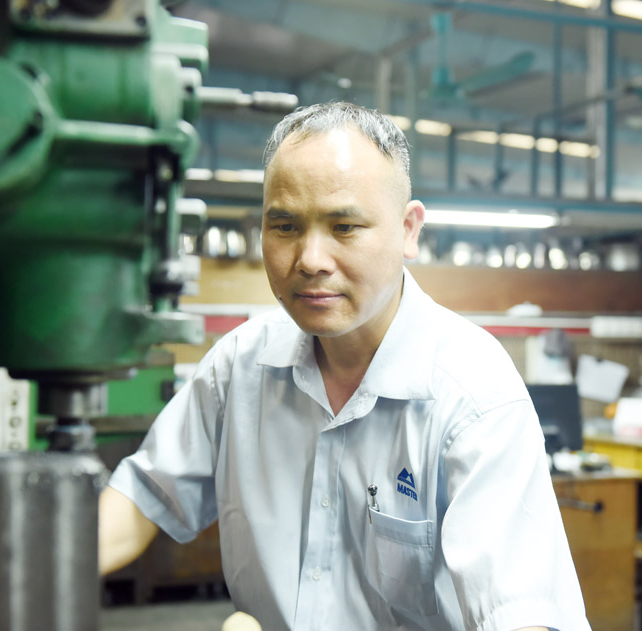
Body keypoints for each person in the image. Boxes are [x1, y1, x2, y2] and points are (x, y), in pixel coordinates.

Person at [99, 102, 591, 631]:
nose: (310, 259)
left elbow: (519, 616)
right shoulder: (239, 367)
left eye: (345, 226)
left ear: (408, 230)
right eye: (284, 225)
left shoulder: (474, 396)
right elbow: (144, 497)